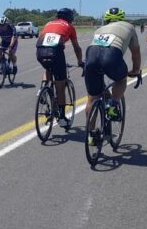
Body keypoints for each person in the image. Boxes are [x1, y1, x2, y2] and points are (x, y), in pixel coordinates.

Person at [84, 8, 141, 146]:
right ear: (122, 18)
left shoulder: (100, 29)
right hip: (111, 57)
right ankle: (114, 103)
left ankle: (91, 135)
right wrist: (135, 70)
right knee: (120, 79)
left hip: (91, 56)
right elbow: (135, 53)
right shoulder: (129, 27)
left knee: (93, 97)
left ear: (107, 19)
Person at [37, 8, 84, 127]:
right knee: (60, 84)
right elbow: (77, 48)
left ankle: (42, 88)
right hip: (55, 51)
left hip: (40, 49)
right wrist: (80, 62)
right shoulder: (70, 26)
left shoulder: (48, 23)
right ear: (70, 18)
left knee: (48, 67)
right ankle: (62, 118)